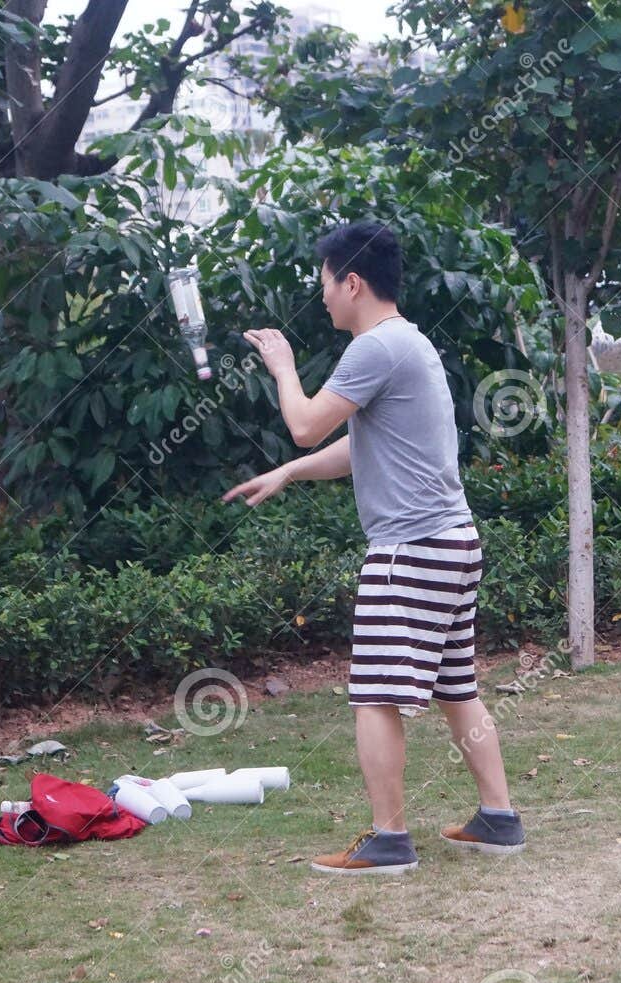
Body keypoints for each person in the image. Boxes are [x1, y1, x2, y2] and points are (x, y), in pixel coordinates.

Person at [223, 221, 525, 875]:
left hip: (409, 549)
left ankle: (389, 838)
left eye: (325, 283)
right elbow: (358, 448)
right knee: (455, 686)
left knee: (374, 695)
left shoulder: (375, 348)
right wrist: (289, 473)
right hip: (453, 542)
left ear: (352, 282)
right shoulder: (408, 342)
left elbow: (305, 424)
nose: (322, 296)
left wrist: (282, 368)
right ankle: (498, 817)